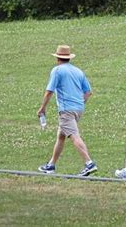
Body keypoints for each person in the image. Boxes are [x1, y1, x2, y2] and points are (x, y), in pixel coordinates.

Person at [37, 45, 97, 176]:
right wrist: (79, 103)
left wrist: (42, 108)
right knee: (61, 136)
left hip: (66, 110)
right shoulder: (78, 71)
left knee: (74, 136)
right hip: (79, 109)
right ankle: (51, 165)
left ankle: (89, 163)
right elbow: (88, 92)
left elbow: (49, 91)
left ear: (57, 58)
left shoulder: (57, 71)